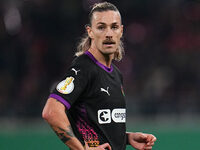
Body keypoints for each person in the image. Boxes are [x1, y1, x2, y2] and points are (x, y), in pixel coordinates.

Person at [42, 2, 156, 150]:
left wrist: (127, 137)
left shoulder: (116, 73)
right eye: (101, 27)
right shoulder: (84, 68)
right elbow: (51, 112)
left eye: (114, 27)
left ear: (121, 31)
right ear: (90, 31)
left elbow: (100, 126)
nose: (108, 33)